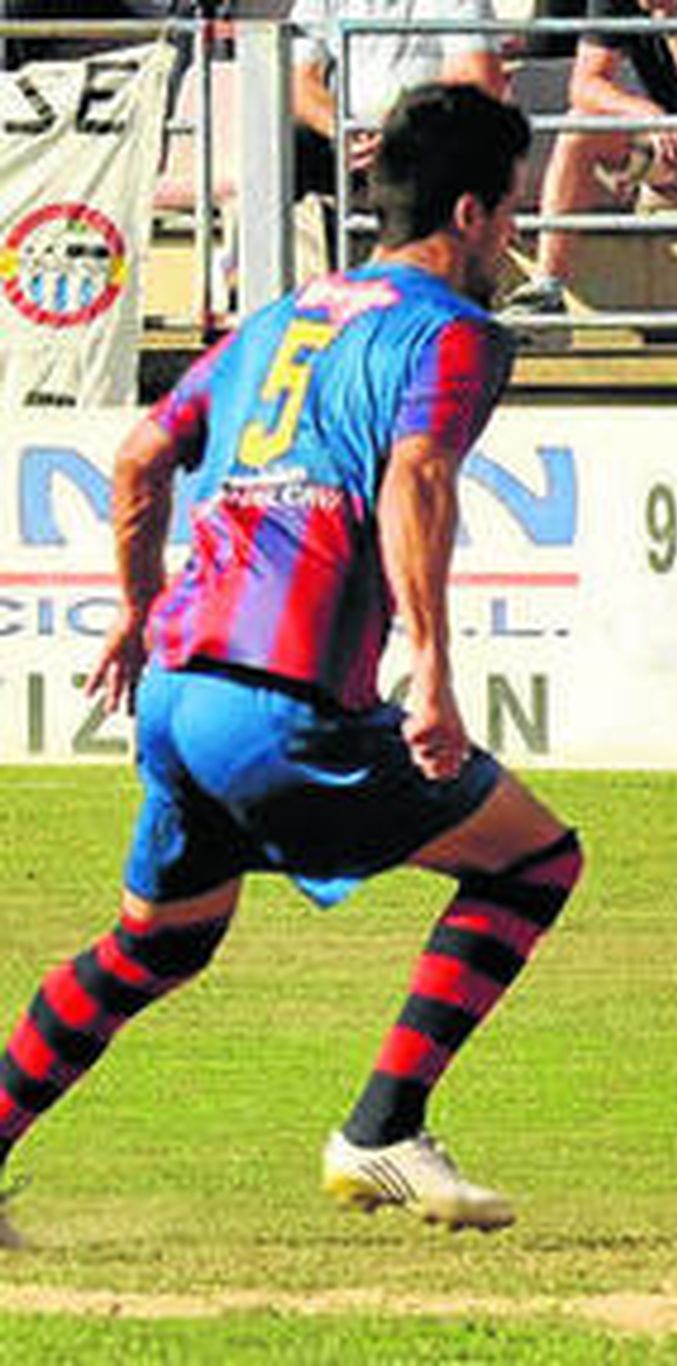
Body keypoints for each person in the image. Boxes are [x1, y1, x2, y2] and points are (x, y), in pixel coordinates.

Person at [0, 84, 582, 1248]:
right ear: (470, 212)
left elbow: (138, 453)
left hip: (176, 691)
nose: (511, 239)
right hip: (280, 698)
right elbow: (416, 476)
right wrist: (433, 671)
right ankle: (383, 1125)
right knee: (534, 863)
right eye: (511, 214)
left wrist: (136, 607)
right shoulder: (454, 332)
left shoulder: (278, 320)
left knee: (156, 942)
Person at [510, 0, 677, 341]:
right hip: (669, 127)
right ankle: (545, 293)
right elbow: (585, 85)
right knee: (579, 127)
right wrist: (645, 113)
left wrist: (667, 19)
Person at [289, 0, 507, 264]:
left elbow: (476, 78)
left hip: (425, 138)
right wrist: (342, 129)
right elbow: (298, 81)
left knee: (451, 146)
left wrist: (399, 130)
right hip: (346, 139)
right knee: (277, 153)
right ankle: (248, 281)